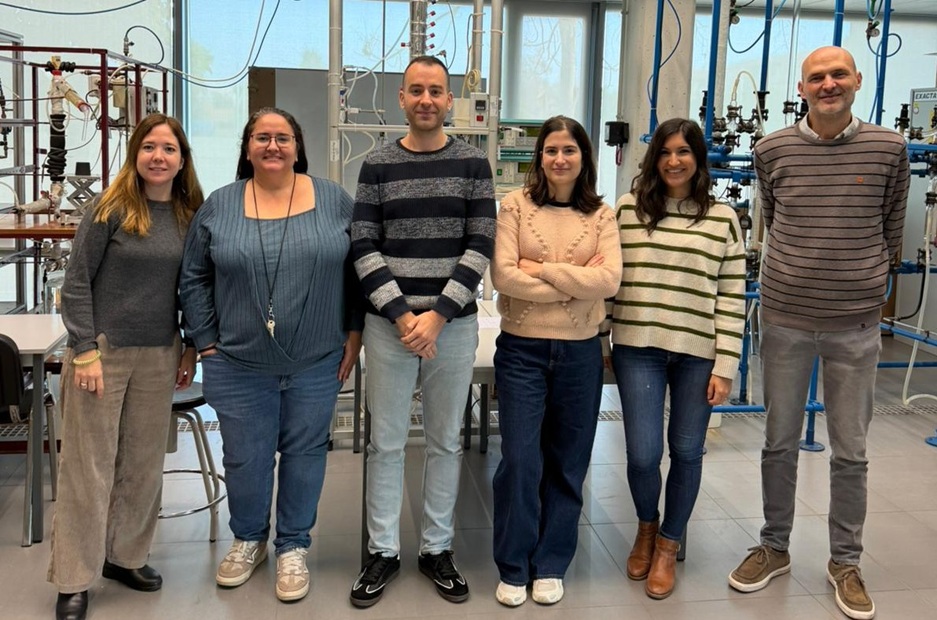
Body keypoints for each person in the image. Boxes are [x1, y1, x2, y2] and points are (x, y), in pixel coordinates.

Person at [728, 46, 909, 620]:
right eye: (816, 77)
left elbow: (891, 228)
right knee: (778, 440)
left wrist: (865, 280)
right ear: (801, 88)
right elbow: (774, 218)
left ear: (857, 80)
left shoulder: (890, 148)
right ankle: (774, 546)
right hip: (784, 318)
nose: (828, 84)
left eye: (838, 74)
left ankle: (845, 562)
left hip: (855, 322)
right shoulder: (771, 149)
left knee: (850, 451)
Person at [179, 107, 363, 603]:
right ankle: (248, 540)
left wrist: (355, 330)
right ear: (247, 148)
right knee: (245, 458)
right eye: (262, 137)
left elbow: (358, 270)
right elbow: (193, 277)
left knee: (306, 454)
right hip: (237, 362)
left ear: (298, 147)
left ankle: (294, 545)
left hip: (317, 360)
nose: (273, 146)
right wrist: (205, 340)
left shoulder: (333, 201)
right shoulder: (219, 206)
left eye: (283, 137)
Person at [349, 55, 496, 608]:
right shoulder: (377, 164)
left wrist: (437, 316)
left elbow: (480, 243)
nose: (426, 100)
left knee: (445, 441)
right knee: (385, 443)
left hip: (451, 328)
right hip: (389, 327)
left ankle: (437, 549)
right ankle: (382, 551)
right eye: (417, 90)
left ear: (450, 100)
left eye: (436, 90)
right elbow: (363, 244)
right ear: (402, 99)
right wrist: (402, 315)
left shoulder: (473, 164)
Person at [49, 113, 203, 620]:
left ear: (182, 160)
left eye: (169, 149)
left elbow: (192, 287)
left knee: (142, 465)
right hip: (103, 354)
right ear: (136, 154)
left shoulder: (188, 215)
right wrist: (84, 349)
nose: (159, 157)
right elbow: (76, 282)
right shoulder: (110, 208)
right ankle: (74, 578)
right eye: (149, 147)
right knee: (88, 468)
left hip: (160, 354)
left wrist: (189, 346)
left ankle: (125, 557)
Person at [489, 116, 621, 607]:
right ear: (538, 157)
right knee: (521, 459)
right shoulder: (514, 206)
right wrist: (574, 280)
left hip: (581, 352)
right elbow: (504, 277)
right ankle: (513, 564)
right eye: (551, 150)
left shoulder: (602, 216)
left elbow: (609, 281)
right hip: (521, 350)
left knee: (568, 461)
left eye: (569, 150)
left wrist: (540, 268)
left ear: (584, 157)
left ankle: (550, 563)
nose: (560, 158)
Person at [612, 118, 746, 600]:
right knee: (643, 454)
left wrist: (726, 365)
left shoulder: (722, 218)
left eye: (684, 151)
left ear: (698, 159)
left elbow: (731, 296)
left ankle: (669, 546)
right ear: (654, 158)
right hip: (638, 349)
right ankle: (647, 528)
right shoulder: (627, 210)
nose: (674, 161)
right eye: (666, 152)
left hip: (698, 356)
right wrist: (603, 340)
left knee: (687, 451)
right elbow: (609, 281)